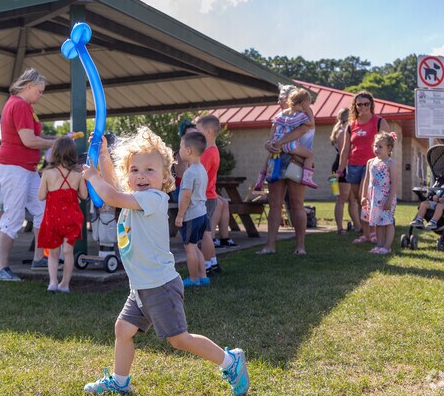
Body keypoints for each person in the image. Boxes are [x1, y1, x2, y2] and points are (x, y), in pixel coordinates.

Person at [81, 127, 249, 396]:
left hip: (160, 286)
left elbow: (110, 195)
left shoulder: (154, 199)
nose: (141, 175)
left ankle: (231, 361)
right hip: (142, 285)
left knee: (179, 339)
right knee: (123, 329)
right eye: (134, 170)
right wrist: (102, 155)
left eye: (150, 170)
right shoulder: (134, 198)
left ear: (164, 177)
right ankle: (120, 381)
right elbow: (114, 187)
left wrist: (92, 175)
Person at [0, 68, 56, 282]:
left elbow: (32, 138)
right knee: (13, 217)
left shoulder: (23, 105)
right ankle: (2, 268)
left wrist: (54, 139)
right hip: (14, 167)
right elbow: (29, 141)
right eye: (39, 91)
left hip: (26, 168)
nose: (41, 95)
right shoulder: (19, 105)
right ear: (28, 86)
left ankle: (39, 258)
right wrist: (54, 142)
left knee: (42, 209)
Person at [258, 84, 314, 256]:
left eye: (282, 96)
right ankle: (270, 246)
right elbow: (272, 138)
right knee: (274, 204)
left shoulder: (305, 115)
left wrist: (278, 143)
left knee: (297, 204)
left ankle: (300, 246)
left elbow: (302, 130)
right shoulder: (278, 118)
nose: (279, 99)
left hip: (297, 161)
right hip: (277, 161)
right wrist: (270, 145)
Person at [337, 91, 390, 246]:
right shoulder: (350, 125)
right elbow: (345, 149)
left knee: (370, 199)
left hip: (374, 166)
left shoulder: (379, 121)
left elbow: (388, 144)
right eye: (359, 104)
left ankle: (374, 232)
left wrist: (386, 164)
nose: (363, 107)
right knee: (360, 201)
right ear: (355, 106)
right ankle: (366, 234)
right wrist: (340, 170)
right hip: (354, 166)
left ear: (371, 105)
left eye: (366, 104)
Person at [37, 136, 88, 293]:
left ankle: (53, 282)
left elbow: (41, 196)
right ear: (72, 153)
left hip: (52, 217)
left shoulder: (47, 173)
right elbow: (84, 196)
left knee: (53, 252)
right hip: (72, 216)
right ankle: (65, 284)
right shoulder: (78, 173)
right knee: (68, 251)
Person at [175, 131, 210, 288]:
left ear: (188, 150)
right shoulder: (201, 169)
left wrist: (180, 215)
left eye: (181, 147)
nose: (179, 150)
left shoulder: (189, 173)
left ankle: (193, 278)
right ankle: (203, 277)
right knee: (195, 247)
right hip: (202, 214)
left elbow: (186, 196)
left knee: (189, 249)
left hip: (191, 216)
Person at [360, 132, 398, 254]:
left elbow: (394, 183)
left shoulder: (390, 163)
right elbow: (366, 180)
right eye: (375, 146)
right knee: (378, 222)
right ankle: (379, 245)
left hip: (386, 197)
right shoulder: (370, 162)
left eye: (380, 146)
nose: (376, 149)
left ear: (389, 148)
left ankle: (387, 247)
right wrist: (363, 196)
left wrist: (390, 200)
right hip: (374, 197)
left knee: (387, 221)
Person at [195, 114, 222, 275]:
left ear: (209, 132)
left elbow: (199, 175)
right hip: (209, 196)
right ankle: (212, 262)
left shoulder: (208, 153)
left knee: (205, 233)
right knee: (208, 231)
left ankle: (206, 265)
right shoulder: (213, 150)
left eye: (199, 131)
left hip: (204, 197)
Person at [330, 107, 359, 235]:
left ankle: (358, 226)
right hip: (341, 167)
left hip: (350, 166)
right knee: (341, 198)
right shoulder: (342, 131)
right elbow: (344, 152)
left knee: (353, 199)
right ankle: (339, 228)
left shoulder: (347, 129)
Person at [172, 120, 196, 202]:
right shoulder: (181, 154)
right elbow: (183, 180)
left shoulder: (196, 154)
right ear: (183, 138)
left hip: (191, 191)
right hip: (179, 191)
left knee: (222, 202)